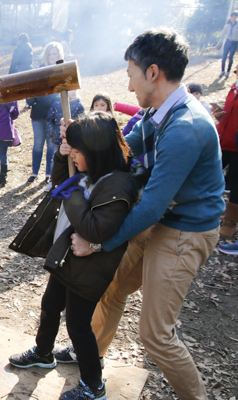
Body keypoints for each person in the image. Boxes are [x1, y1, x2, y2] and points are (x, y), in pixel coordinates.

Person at [55, 28, 225, 400]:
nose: (128, 86)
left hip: (184, 232)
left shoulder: (186, 127)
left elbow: (150, 206)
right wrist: (81, 143)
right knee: (113, 289)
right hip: (162, 220)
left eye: (131, 73)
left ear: (152, 73)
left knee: (155, 335)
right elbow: (122, 154)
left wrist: (98, 244)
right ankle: (91, 362)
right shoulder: (158, 113)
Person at [9, 112, 142, 400]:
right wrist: (62, 155)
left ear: (97, 151)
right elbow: (61, 183)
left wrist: (76, 193)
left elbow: (95, 229)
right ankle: (43, 353)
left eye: (79, 151)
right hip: (69, 258)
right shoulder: (90, 172)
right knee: (50, 303)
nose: (76, 157)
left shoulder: (119, 185)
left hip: (90, 266)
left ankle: (94, 386)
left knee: (78, 325)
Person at [26, 42, 63, 183]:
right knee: (38, 143)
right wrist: (31, 100)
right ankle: (34, 172)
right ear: (46, 55)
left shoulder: (62, 70)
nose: (52, 56)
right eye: (50, 54)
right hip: (39, 113)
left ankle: (49, 174)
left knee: (51, 145)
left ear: (59, 55)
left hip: (54, 115)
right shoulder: (39, 70)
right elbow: (31, 90)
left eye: (55, 53)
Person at [213, 79, 238, 238]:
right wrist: (220, 114)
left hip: (237, 146)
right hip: (223, 141)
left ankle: (230, 222)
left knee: (236, 183)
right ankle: (206, 210)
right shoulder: (234, 86)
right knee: (211, 175)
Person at [46, 90, 85, 190]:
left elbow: (82, 120)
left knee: (73, 159)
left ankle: (71, 182)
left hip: (73, 141)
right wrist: (54, 133)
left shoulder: (78, 105)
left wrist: (75, 131)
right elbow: (49, 119)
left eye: (73, 90)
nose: (71, 92)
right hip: (58, 139)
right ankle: (51, 181)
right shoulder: (56, 104)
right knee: (57, 158)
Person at [215, 11, 238, 78]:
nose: (234, 18)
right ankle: (222, 71)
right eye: (232, 17)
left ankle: (228, 71)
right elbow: (222, 36)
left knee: (230, 57)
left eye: (235, 17)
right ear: (230, 17)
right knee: (224, 57)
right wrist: (219, 44)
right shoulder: (227, 26)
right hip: (227, 42)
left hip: (234, 42)